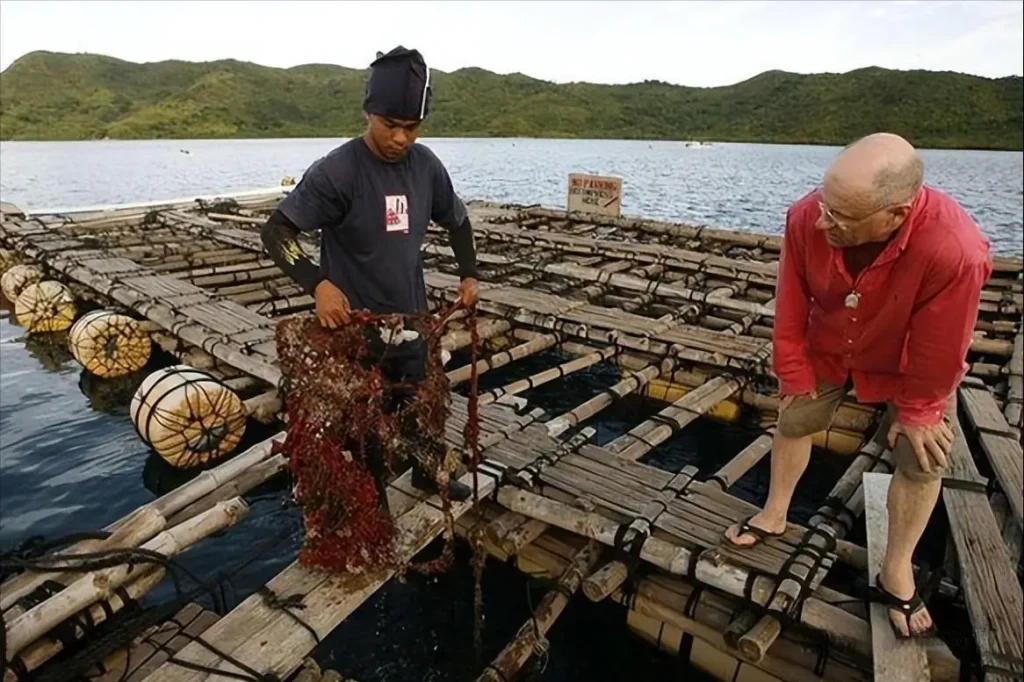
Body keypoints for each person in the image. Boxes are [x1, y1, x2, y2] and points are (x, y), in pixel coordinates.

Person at [723, 133, 992, 639]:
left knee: (923, 456)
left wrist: (916, 411)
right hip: (828, 344)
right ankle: (776, 512)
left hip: (908, 362)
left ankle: (897, 566)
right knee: (795, 417)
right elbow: (790, 303)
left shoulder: (955, 249)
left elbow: (942, 346)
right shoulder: (808, 216)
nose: (823, 221)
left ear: (896, 214)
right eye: (825, 205)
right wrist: (794, 372)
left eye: (840, 216)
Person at [261, 46, 479, 504]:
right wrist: (318, 284)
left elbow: (457, 221)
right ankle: (371, 499)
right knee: (364, 424)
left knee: (419, 404)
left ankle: (424, 474)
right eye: (390, 125)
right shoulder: (338, 171)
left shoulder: (427, 167)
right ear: (368, 112)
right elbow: (276, 231)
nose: (400, 138)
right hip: (355, 328)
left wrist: (469, 275)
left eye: (411, 128)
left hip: (411, 318)